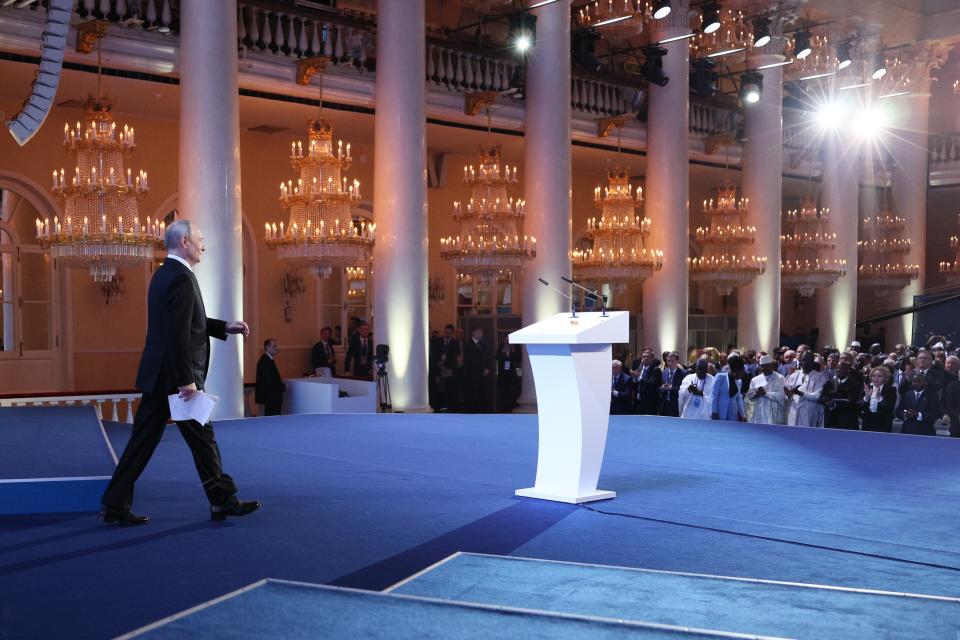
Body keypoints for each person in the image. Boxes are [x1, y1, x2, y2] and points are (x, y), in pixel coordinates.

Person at [100, 220, 259, 526]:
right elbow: (177, 335)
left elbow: (187, 321)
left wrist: (224, 326)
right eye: (201, 239)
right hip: (176, 379)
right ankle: (222, 502)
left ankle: (114, 503)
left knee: (142, 442)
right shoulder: (181, 279)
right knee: (203, 438)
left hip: (160, 376)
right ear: (185, 241)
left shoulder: (164, 274)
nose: (204, 245)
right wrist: (187, 380)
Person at [784, 351, 828, 428]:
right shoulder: (793, 376)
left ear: (812, 362)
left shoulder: (820, 377)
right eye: (803, 360)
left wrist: (800, 393)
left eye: (809, 360)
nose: (806, 362)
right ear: (800, 361)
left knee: (808, 435)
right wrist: (788, 395)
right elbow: (788, 396)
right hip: (794, 411)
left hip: (810, 412)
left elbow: (817, 396)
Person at [746, 354, 787, 425]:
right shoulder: (755, 380)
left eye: (766, 365)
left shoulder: (780, 378)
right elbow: (749, 396)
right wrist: (756, 394)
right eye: (762, 366)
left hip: (774, 413)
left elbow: (782, 396)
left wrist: (766, 393)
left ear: (771, 365)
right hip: (759, 413)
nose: (764, 368)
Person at [897, 372, 940, 436]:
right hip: (907, 431)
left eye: (919, 381)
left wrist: (918, 415)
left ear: (925, 383)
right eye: (914, 381)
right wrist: (905, 414)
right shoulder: (906, 395)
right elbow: (898, 411)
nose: (916, 383)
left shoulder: (932, 396)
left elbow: (936, 414)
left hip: (926, 431)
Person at [824, 356, 861, 429]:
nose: (837, 370)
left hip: (847, 422)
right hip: (830, 421)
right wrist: (826, 402)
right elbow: (823, 397)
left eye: (841, 368)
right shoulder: (830, 383)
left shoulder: (855, 384)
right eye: (837, 368)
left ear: (848, 370)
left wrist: (834, 403)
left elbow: (851, 401)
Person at [858, 366, 896, 433]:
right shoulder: (867, 388)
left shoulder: (891, 390)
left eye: (879, 376)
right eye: (874, 376)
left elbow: (890, 408)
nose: (876, 378)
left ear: (884, 378)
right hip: (868, 423)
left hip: (883, 424)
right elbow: (859, 406)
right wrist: (866, 397)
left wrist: (880, 398)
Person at [462, 326, 491, 413]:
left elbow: (487, 358)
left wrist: (487, 368)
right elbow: (470, 361)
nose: (481, 334)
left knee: (481, 397)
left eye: (482, 332)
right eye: (479, 332)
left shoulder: (483, 344)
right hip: (472, 377)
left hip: (482, 377)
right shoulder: (467, 345)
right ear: (474, 332)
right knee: (472, 398)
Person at [710, 353, 746, 422]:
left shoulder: (739, 382)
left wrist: (742, 415)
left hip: (733, 416)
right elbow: (714, 395)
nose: (742, 375)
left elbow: (739, 399)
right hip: (720, 414)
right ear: (735, 371)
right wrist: (714, 411)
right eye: (741, 372)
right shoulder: (720, 377)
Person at [255, 338, 285, 416]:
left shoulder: (267, 360)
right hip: (271, 397)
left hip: (272, 397)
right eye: (274, 346)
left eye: (276, 346)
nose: (276, 348)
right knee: (273, 419)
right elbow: (269, 381)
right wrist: (282, 387)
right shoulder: (265, 361)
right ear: (267, 347)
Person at [630, 348, 662, 415]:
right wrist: (634, 379)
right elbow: (634, 384)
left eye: (648, 357)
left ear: (652, 358)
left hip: (649, 404)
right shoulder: (639, 369)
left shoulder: (656, 370)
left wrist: (638, 378)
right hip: (638, 402)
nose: (645, 358)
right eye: (644, 356)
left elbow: (651, 384)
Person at [436, 324, 460, 412]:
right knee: (440, 390)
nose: (447, 334)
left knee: (449, 390)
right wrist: (440, 365)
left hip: (450, 370)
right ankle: (441, 408)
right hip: (439, 369)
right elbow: (436, 354)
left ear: (452, 333)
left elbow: (454, 357)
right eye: (446, 332)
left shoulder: (455, 343)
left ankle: (449, 408)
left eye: (449, 332)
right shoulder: (438, 341)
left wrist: (445, 365)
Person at [495, 333, 521, 412]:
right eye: (506, 340)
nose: (507, 342)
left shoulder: (515, 348)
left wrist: (513, 351)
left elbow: (519, 361)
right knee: (503, 397)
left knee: (512, 397)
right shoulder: (500, 348)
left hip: (512, 377)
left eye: (509, 340)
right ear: (503, 341)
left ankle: (510, 411)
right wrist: (502, 352)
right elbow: (496, 358)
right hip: (503, 378)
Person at [659, 351, 685, 417]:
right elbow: (658, 387)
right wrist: (662, 388)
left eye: (672, 361)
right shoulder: (664, 372)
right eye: (668, 361)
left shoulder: (682, 373)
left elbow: (683, 390)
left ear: (677, 361)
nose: (670, 363)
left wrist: (671, 388)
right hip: (664, 405)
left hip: (675, 405)